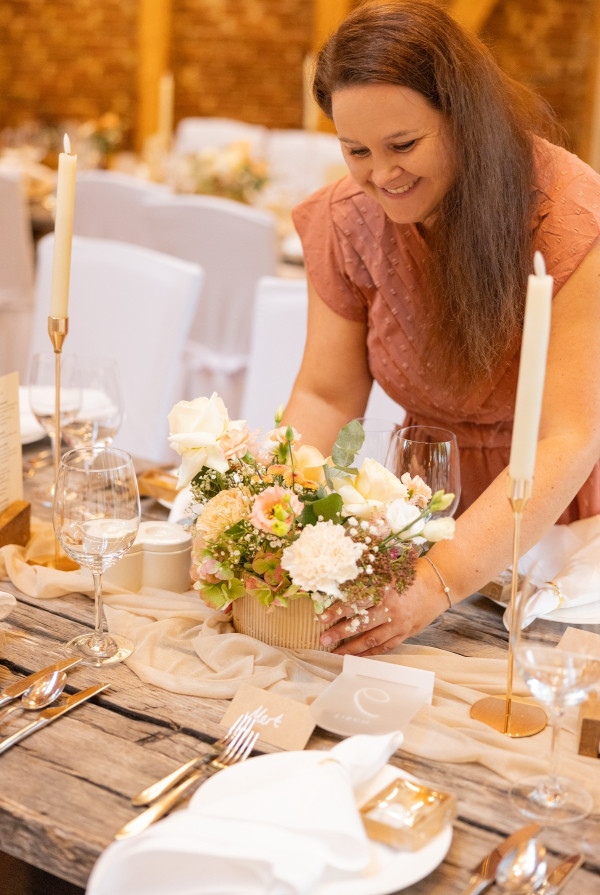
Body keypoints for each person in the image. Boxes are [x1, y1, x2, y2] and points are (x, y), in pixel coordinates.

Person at [283, 0, 600, 655]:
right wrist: (272, 519)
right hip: (422, 514)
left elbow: (569, 435)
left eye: (404, 145)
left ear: (466, 118)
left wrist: (438, 581)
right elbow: (325, 395)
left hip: (565, 523)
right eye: (356, 151)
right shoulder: (348, 222)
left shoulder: (568, 217)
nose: (381, 175)